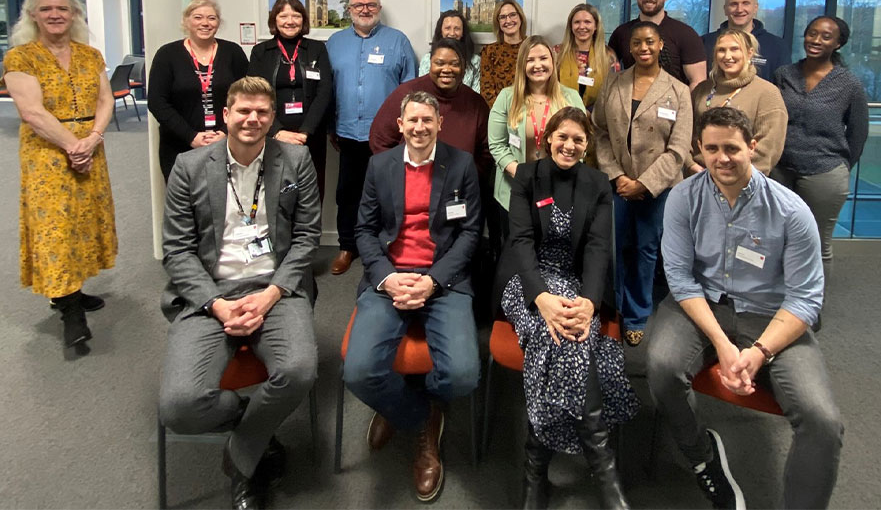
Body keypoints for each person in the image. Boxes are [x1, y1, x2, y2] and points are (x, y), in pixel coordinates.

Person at [647, 106, 843, 510]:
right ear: (699, 150)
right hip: (701, 305)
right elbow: (681, 279)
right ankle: (703, 459)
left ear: (752, 147)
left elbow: (806, 298)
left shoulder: (792, 212)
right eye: (712, 148)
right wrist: (721, 343)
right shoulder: (683, 198)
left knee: (823, 421)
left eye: (733, 148)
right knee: (662, 366)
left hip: (771, 316)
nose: (722, 158)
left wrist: (759, 351)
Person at [159, 76, 321, 510]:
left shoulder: (296, 159)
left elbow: (307, 237)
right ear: (225, 115)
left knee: (301, 370)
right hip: (211, 290)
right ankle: (259, 434)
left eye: (262, 113)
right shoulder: (189, 166)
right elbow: (175, 249)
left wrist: (271, 294)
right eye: (244, 111)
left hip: (276, 286)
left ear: (272, 118)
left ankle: (242, 456)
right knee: (179, 405)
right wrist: (216, 304)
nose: (253, 119)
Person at [495, 107, 639, 510]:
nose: (569, 145)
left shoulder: (597, 184)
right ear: (548, 139)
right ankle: (602, 464)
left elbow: (597, 248)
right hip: (526, 283)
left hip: (576, 286)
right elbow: (520, 241)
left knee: (568, 332)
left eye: (578, 139)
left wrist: (590, 303)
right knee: (559, 331)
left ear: (587, 145)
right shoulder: (527, 176)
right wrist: (540, 298)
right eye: (563, 137)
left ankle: (534, 469)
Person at [343, 91, 481, 503]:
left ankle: (425, 407)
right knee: (359, 372)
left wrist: (434, 280)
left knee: (463, 376)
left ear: (440, 123)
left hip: (444, 279)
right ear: (400, 126)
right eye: (412, 120)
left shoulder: (461, 165)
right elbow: (364, 231)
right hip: (389, 279)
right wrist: (386, 277)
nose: (420, 127)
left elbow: (470, 233)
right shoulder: (379, 166)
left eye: (428, 120)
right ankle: (419, 417)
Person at [3, 0, 117, 351]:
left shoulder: (90, 55)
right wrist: (72, 144)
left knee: (84, 220)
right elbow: (31, 111)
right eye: (47, 9)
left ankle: (74, 288)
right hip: (47, 153)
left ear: (74, 15)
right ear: (33, 15)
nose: (56, 14)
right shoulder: (21, 57)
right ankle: (70, 311)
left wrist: (93, 138)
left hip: (89, 145)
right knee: (54, 225)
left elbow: (105, 100)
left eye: (63, 9)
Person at [593, 21, 693, 346]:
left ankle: (637, 314)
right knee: (615, 246)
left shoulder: (678, 91)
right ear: (630, 47)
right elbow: (601, 133)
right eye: (637, 43)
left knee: (646, 250)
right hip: (618, 183)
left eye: (650, 41)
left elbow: (678, 150)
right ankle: (617, 308)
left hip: (658, 188)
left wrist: (644, 184)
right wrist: (618, 176)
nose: (643, 48)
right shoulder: (614, 84)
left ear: (661, 44)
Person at [326, 0, 417, 275]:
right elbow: (326, 90)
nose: (365, 9)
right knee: (347, 193)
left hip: (388, 136)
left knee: (388, 194)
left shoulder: (398, 41)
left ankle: (386, 245)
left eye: (371, 5)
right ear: (349, 10)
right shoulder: (334, 43)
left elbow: (410, 87)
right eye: (358, 5)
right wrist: (331, 126)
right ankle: (347, 246)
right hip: (348, 132)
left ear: (378, 8)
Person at [772, 16, 869, 281]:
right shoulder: (784, 74)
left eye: (826, 36)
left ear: (838, 43)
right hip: (780, 170)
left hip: (824, 173)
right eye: (812, 33)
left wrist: (842, 166)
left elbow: (859, 132)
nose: (816, 40)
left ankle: (812, 308)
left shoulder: (848, 84)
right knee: (778, 238)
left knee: (817, 243)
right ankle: (780, 299)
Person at [488, 35, 586, 235]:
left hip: (559, 188)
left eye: (543, 58)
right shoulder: (507, 97)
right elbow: (497, 145)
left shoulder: (570, 97)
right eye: (530, 60)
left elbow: (582, 142)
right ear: (522, 65)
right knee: (514, 256)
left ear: (552, 61)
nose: (537, 65)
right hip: (514, 190)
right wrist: (524, 176)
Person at [148, 0, 249, 181]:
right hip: (180, 145)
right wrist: (191, 136)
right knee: (184, 204)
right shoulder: (167, 54)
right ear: (186, 21)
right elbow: (156, 101)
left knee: (226, 202)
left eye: (212, 18)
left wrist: (225, 132)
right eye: (197, 17)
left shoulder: (233, 52)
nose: (205, 23)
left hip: (228, 143)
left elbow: (246, 95)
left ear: (218, 22)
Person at [248, 0, 334, 201]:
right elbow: (254, 93)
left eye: (295, 16)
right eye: (283, 15)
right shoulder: (261, 51)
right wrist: (276, 131)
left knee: (311, 193)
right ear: (274, 20)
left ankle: (310, 234)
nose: (290, 21)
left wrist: (305, 132)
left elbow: (325, 90)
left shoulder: (317, 49)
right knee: (274, 192)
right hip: (271, 134)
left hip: (310, 136)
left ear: (303, 20)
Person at [370, 38, 491, 175]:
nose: (446, 69)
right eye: (439, 63)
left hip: (458, 189)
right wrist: (398, 177)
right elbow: (379, 139)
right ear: (430, 64)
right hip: (408, 184)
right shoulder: (406, 94)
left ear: (464, 67)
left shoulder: (476, 103)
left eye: (454, 64)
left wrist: (467, 177)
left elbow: (486, 151)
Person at [689, 29, 788, 176]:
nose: (727, 56)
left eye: (735, 49)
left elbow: (768, 148)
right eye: (721, 50)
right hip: (697, 176)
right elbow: (687, 133)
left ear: (749, 53)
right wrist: (691, 165)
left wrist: (733, 177)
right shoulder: (702, 89)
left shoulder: (767, 93)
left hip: (740, 180)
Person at [608, 0, 706, 90]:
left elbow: (698, 82)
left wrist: (683, 106)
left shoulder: (686, 34)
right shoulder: (621, 33)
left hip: (671, 105)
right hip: (629, 104)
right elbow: (610, 74)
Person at [701, 0, 790, 81]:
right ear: (725, 9)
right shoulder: (705, 43)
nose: (739, 9)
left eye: (745, 3)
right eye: (733, 4)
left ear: (755, 8)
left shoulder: (777, 46)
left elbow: (783, 86)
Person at [555, 3, 614, 110]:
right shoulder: (557, 53)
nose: (582, 27)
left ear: (596, 26)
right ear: (571, 26)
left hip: (597, 118)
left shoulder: (608, 55)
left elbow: (613, 92)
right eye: (577, 22)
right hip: (562, 113)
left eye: (587, 22)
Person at [418, 10, 481, 92]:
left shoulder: (475, 61)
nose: (452, 33)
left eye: (457, 29)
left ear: (463, 33)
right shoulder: (427, 59)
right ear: (441, 31)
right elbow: (422, 91)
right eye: (447, 28)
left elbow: (475, 95)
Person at [481, 0, 528, 107]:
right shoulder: (489, 51)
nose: (508, 20)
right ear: (498, 22)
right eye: (502, 17)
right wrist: (503, 113)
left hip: (531, 112)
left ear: (520, 17)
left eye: (512, 15)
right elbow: (487, 91)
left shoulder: (533, 47)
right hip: (501, 113)